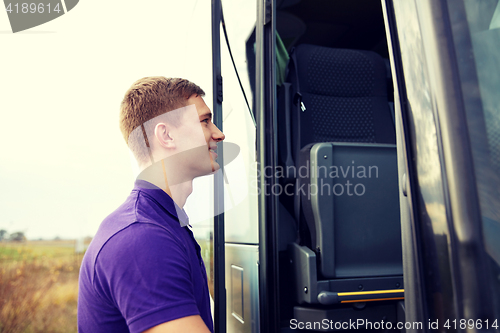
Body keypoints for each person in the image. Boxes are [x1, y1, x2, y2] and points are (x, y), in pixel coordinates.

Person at [78, 77, 224, 333]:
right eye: (205, 121)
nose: (218, 134)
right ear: (166, 135)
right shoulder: (143, 238)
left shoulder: (162, 224)